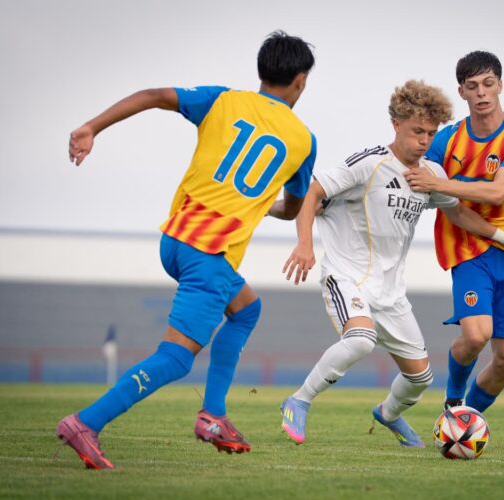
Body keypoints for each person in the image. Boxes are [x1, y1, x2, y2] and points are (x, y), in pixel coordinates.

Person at [57, 31, 316, 469]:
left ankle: (213, 415)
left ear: (261, 71)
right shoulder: (302, 140)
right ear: (300, 81)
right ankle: (85, 422)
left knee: (247, 308)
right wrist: (265, 206)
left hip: (175, 240)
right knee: (176, 359)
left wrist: (91, 127)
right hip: (210, 257)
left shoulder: (223, 100)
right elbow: (293, 208)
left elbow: (154, 95)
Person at [279, 80, 504, 447]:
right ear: (396, 124)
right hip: (346, 277)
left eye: (431, 133)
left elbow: (460, 215)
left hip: (390, 292)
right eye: (417, 131)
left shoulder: (431, 175)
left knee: (420, 378)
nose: (424, 140)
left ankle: (388, 413)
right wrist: (305, 245)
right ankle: (298, 401)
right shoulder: (370, 163)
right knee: (360, 340)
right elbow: (312, 193)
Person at [404, 51, 504, 414]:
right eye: (472, 87)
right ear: (462, 92)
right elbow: (410, 174)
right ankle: (453, 404)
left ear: (500, 85)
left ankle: (469, 418)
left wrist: (442, 183)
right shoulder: (445, 142)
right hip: (468, 247)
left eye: (488, 84)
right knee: (476, 335)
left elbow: (499, 191)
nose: (482, 93)